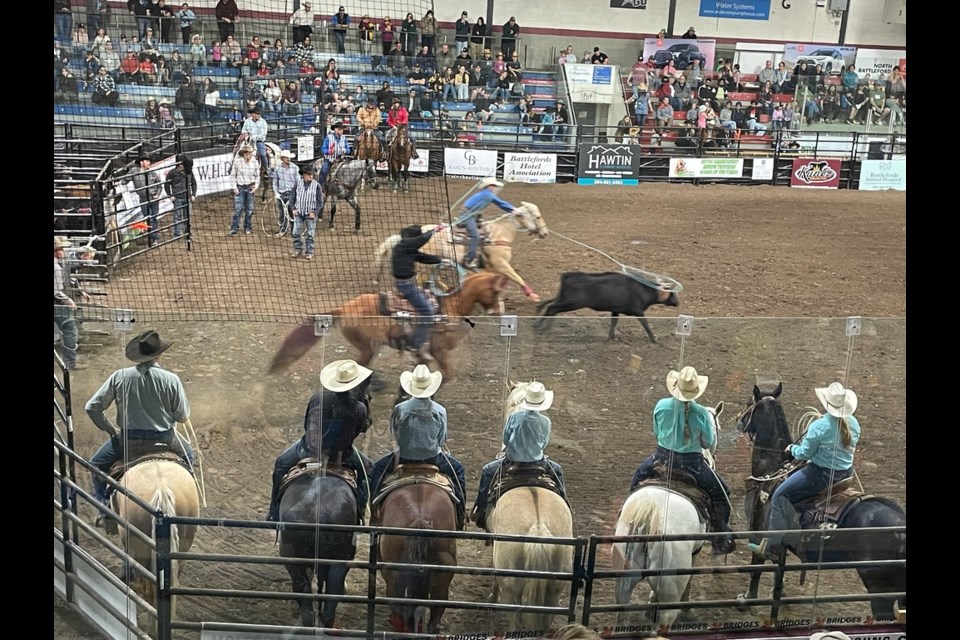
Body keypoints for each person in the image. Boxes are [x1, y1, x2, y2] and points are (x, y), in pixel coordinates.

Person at [86, 330, 196, 527]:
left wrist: (111, 430)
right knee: (191, 458)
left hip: (129, 440)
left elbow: (92, 407)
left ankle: (103, 508)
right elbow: (182, 415)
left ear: (138, 354)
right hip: (165, 437)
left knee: (95, 465)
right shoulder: (172, 379)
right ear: (159, 354)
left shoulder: (120, 376)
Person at [748, 383, 861, 561]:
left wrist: (792, 448)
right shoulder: (854, 423)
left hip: (820, 476)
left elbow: (805, 454)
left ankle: (772, 546)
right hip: (845, 475)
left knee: (778, 496)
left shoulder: (820, 426)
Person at [630, 366, 736, 554]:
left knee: (636, 479)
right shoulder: (702, 413)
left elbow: (657, 432)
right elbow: (707, 443)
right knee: (722, 494)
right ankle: (720, 539)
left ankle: (628, 518)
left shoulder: (661, 406)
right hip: (693, 465)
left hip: (661, 459)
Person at [267, 358, 374, 523]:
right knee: (369, 470)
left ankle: (274, 511)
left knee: (281, 464)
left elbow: (306, 424)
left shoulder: (317, 398)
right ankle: (359, 512)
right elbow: (358, 431)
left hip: (307, 449)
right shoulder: (359, 408)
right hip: (341, 456)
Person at [370, 365, 467, 530]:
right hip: (433, 457)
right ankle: (460, 515)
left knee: (378, 470)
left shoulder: (400, 409)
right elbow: (441, 438)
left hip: (404, 456)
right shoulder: (440, 410)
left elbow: (394, 434)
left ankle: (373, 513)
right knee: (458, 471)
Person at [471, 382, 566, 530]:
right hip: (538, 463)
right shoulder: (545, 421)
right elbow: (544, 443)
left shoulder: (514, 417)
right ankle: (564, 502)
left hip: (512, 461)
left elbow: (505, 439)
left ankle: (481, 510)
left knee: (487, 471)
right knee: (558, 470)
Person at [390, 225, 445, 358]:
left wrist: (441, 260)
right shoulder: (404, 245)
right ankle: (415, 344)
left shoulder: (407, 249)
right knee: (428, 312)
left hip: (408, 284)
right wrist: (434, 231)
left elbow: (423, 257)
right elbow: (421, 240)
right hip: (407, 287)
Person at [453, 177, 522, 269]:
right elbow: (501, 203)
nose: (495, 187)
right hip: (467, 215)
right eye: (494, 185)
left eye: (495, 186)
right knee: (475, 235)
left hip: (472, 214)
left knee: (483, 231)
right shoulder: (488, 195)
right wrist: (513, 209)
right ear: (489, 186)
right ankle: (469, 259)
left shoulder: (485, 194)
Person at [54, 238, 85, 371]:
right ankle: (69, 363)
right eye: (60, 249)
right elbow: (56, 291)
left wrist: (79, 290)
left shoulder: (59, 265)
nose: (63, 251)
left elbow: (67, 278)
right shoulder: (56, 267)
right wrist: (68, 300)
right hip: (57, 305)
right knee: (70, 330)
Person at [290, 164, 324, 260]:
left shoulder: (317, 186)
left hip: (310, 213)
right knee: (295, 232)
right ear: (303, 175)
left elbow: (320, 201)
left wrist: (315, 212)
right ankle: (298, 250)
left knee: (310, 234)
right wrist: (293, 209)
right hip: (299, 212)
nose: (311, 176)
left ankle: (309, 252)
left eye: (312, 174)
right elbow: (292, 197)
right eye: (309, 174)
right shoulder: (297, 184)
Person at [228, 145, 259, 236]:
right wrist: (234, 187)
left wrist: (256, 186)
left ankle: (247, 227)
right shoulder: (237, 162)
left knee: (249, 209)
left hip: (250, 187)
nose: (249, 156)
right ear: (244, 154)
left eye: (250, 154)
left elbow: (257, 176)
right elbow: (233, 175)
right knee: (238, 209)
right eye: (247, 154)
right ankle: (234, 228)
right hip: (240, 187)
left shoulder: (255, 162)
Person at [132, 154, 162, 246]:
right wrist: (118, 183)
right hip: (144, 198)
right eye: (147, 161)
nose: (149, 163)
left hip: (153, 198)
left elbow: (160, 185)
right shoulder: (134, 171)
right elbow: (125, 179)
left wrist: (157, 194)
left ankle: (154, 238)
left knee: (152, 218)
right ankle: (153, 237)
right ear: (141, 162)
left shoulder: (153, 173)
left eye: (149, 161)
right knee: (149, 218)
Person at [163, 154, 196, 238]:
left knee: (187, 216)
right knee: (177, 216)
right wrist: (170, 195)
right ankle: (177, 234)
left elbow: (194, 183)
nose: (182, 166)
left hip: (187, 197)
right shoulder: (172, 173)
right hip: (177, 198)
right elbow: (166, 185)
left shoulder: (189, 172)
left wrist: (193, 194)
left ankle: (187, 232)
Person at [318, 121, 350, 188]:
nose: (341, 131)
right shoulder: (328, 137)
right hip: (330, 159)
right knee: (324, 170)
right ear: (336, 129)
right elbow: (323, 149)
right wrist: (329, 151)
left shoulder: (344, 138)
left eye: (342, 129)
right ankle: (320, 187)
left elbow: (348, 150)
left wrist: (345, 150)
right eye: (340, 129)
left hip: (341, 159)